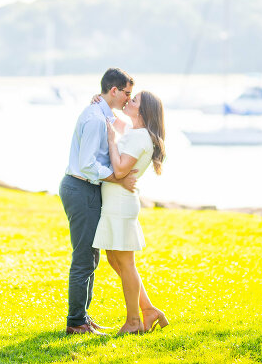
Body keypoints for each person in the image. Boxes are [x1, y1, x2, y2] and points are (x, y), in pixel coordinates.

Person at [59, 68, 138, 336]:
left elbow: (125, 128)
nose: (129, 98)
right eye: (127, 93)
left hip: (87, 190)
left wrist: (103, 102)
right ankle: (76, 323)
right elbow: (88, 164)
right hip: (81, 188)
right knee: (84, 258)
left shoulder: (103, 114)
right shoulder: (95, 118)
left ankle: (82, 317)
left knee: (91, 258)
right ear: (114, 90)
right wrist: (119, 179)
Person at [92, 90, 169, 335]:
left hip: (121, 205)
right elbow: (114, 121)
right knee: (115, 259)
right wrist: (102, 102)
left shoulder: (139, 137)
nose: (129, 101)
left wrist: (113, 140)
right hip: (116, 202)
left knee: (125, 263)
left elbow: (121, 168)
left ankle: (134, 321)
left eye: (133, 100)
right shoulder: (137, 133)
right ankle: (148, 311)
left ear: (143, 111)